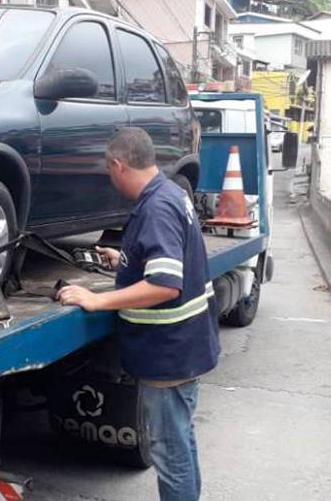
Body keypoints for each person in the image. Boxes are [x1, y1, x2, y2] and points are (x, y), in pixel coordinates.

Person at [57, 127, 221, 501]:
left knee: (169, 452)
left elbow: (165, 285)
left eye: (109, 170)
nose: (110, 178)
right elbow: (166, 257)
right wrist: (125, 260)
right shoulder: (171, 193)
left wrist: (97, 300)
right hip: (184, 349)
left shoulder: (156, 209)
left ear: (118, 165)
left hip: (168, 356)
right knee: (179, 444)